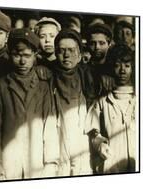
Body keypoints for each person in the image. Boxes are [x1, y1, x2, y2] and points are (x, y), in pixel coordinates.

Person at [0, 28, 59, 180]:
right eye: (17, 55)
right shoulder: (0, 86)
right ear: (10, 54)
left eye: (27, 55)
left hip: (37, 161)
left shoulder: (43, 87)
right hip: (9, 162)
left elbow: (49, 128)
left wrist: (50, 164)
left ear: (35, 56)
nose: (22, 61)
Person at [86, 44, 136, 174]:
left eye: (127, 66)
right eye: (117, 65)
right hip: (112, 164)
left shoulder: (139, 99)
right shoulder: (103, 101)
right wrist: (100, 144)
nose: (122, 71)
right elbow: (93, 130)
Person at [52, 29, 92, 176]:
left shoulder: (88, 79)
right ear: (56, 54)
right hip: (56, 138)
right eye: (61, 51)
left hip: (81, 138)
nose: (66, 55)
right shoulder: (48, 78)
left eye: (71, 50)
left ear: (80, 55)